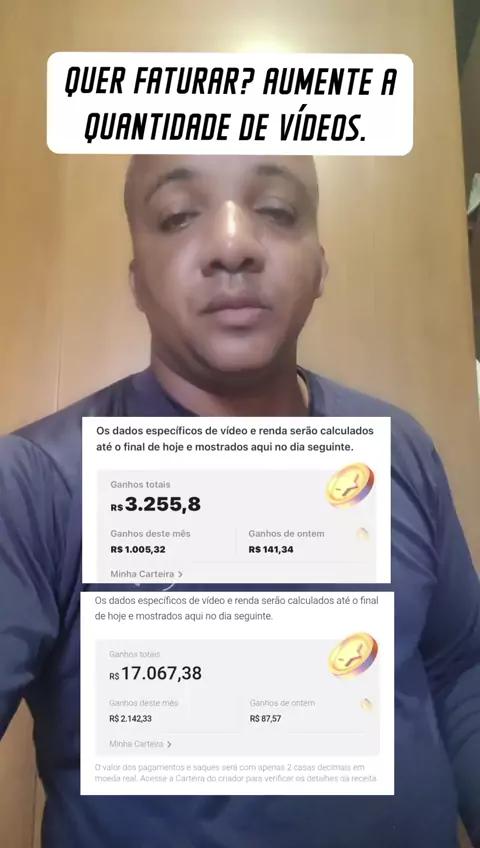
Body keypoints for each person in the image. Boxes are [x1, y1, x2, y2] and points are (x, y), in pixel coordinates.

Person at [0, 154, 479, 848]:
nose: (232, 245)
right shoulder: (36, 482)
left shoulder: (397, 446)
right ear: (137, 280)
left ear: (320, 265)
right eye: (178, 216)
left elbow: (459, 666)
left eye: (277, 211)